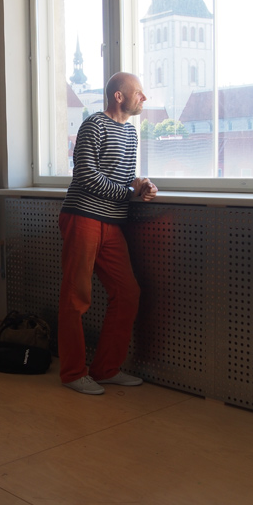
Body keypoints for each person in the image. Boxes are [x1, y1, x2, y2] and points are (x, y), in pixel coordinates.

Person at [57, 71, 158, 395]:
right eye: (139, 92)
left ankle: (105, 369)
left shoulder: (130, 133)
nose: (144, 98)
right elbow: (86, 175)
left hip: (112, 223)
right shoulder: (94, 125)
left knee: (127, 293)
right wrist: (128, 193)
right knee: (76, 297)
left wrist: (141, 184)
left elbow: (124, 178)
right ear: (119, 96)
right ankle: (73, 373)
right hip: (82, 217)